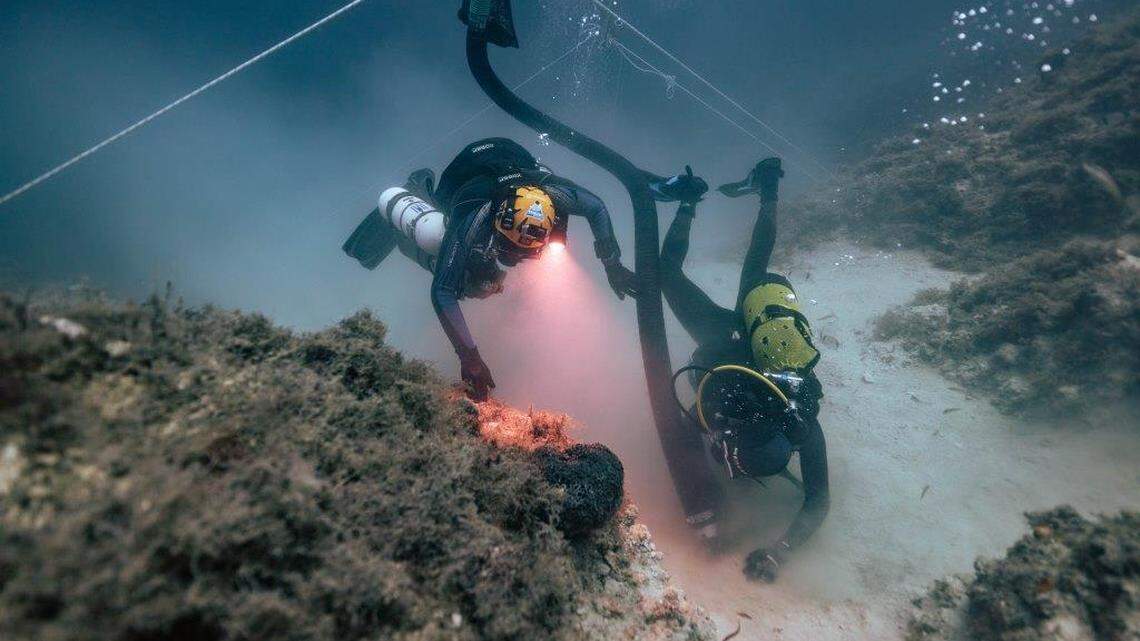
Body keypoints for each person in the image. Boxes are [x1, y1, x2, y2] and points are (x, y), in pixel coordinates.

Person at [343, 138, 638, 400]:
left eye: (526, 252)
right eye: (511, 249)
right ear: (497, 226)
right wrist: (469, 358)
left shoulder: (553, 194)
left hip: (517, 158)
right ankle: (418, 189)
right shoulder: (474, 216)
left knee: (521, 259)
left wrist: (613, 266)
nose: (517, 259)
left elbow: (596, 207)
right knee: (462, 272)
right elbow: (442, 291)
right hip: (463, 175)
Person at [654, 158, 830, 582]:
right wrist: (705, 513)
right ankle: (694, 200)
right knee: (669, 274)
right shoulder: (722, 405)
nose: (734, 470)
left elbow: (819, 501)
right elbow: (678, 438)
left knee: (751, 264)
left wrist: (780, 552)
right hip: (722, 341)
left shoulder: (801, 422)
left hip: (742, 338)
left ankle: (757, 189)